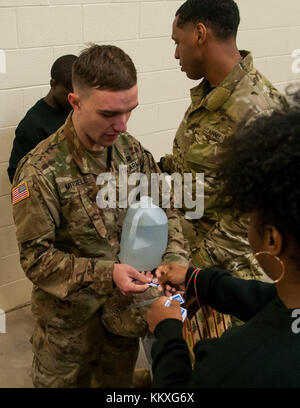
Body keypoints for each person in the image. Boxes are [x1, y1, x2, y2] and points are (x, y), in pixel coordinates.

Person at [11, 44, 189, 388]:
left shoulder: (130, 150)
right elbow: (36, 259)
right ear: (75, 102)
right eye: (109, 114)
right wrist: (109, 273)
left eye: (130, 111)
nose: (121, 125)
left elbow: (167, 206)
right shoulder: (40, 171)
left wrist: (174, 261)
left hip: (124, 319)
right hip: (69, 331)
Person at [158, 0, 289, 345]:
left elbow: (253, 215)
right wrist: (154, 168)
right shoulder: (211, 95)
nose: (175, 54)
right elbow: (201, 164)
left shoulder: (255, 110)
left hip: (233, 276)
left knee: (224, 366)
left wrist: (194, 271)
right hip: (199, 261)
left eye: (177, 40)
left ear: (200, 34)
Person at [147, 108, 300, 387]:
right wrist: (197, 280)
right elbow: (268, 301)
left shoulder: (235, 365)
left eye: (250, 218)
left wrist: (168, 333)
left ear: (272, 240)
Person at [7, 54, 77, 183]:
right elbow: (15, 174)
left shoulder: (77, 109)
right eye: (67, 94)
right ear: (53, 84)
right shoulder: (32, 125)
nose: (72, 101)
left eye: (77, 94)